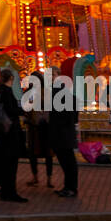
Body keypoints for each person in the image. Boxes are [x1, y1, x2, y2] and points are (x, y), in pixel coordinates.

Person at [0, 69, 28, 201]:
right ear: (12, 78)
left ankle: (5, 191)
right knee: (11, 163)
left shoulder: (0, 92)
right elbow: (11, 110)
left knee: (6, 163)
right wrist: (23, 110)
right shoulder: (7, 92)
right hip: (10, 132)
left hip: (3, 132)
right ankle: (10, 192)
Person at [48, 67, 79, 198]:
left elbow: (62, 114)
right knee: (66, 161)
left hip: (62, 133)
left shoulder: (59, 93)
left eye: (52, 75)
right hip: (63, 132)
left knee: (68, 161)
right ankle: (69, 186)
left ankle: (71, 187)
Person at [25, 105, 54, 188]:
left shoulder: (49, 107)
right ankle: (36, 177)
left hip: (46, 134)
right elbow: (28, 116)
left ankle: (48, 179)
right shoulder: (33, 107)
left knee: (48, 157)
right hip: (35, 135)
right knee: (33, 156)